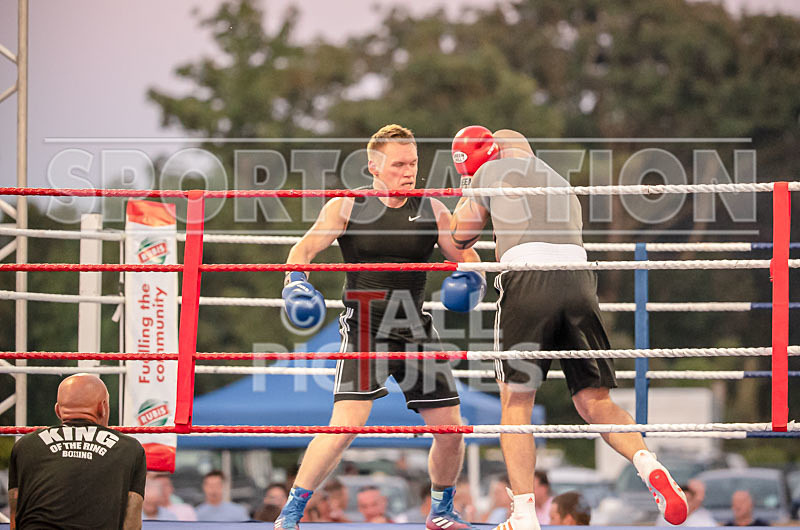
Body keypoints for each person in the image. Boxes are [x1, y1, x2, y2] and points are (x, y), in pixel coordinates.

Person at [449, 126, 689, 530]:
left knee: (516, 403)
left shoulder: (490, 174)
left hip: (527, 279)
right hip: (579, 281)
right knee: (595, 402)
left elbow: (460, 234)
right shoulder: (558, 181)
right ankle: (648, 465)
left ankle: (523, 513)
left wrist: (468, 185)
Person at [276, 124, 484, 530]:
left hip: (415, 329)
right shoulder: (347, 206)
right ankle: (292, 511)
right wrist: (295, 281)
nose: (409, 172)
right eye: (400, 164)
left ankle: (441, 510)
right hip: (364, 329)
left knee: (451, 431)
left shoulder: (434, 208)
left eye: (414, 163)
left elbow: (468, 255)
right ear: (374, 165)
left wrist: (472, 279)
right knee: (345, 427)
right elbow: (304, 248)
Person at [7, 373, 146, 529]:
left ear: (58, 411)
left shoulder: (26, 445)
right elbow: (132, 522)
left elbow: (15, 514)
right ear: (103, 408)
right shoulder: (129, 448)